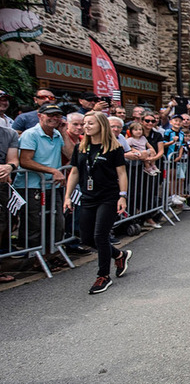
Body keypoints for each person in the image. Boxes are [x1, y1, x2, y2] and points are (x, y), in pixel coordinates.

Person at [64, 112, 130, 294]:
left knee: (100, 236)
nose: (85, 127)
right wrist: (68, 196)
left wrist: (122, 196)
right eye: (84, 123)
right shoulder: (80, 148)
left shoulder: (114, 148)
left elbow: (122, 173)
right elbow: (75, 173)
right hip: (88, 198)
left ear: (101, 125)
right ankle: (118, 254)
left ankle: (103, 276)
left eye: (90, 123)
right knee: (86, 238)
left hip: (108, 197)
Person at [14, 104, 75, 257]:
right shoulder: (31, 134)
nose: (54, 118)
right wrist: (53, 170)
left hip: (51, 186)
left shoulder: (57, 134)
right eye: (50, 115)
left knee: (56, 221)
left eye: (57, 115)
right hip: (31, 186)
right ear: (40, 116)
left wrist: (64, 133)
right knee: (34, 223)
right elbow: (25, 161)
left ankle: (50, 254)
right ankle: (35, 258)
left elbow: (72, 156)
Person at [0, 125, 20, 280]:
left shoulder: (9, 133)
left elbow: (13, 160)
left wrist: (8, 167)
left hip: (2, 186)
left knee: (2, 225)